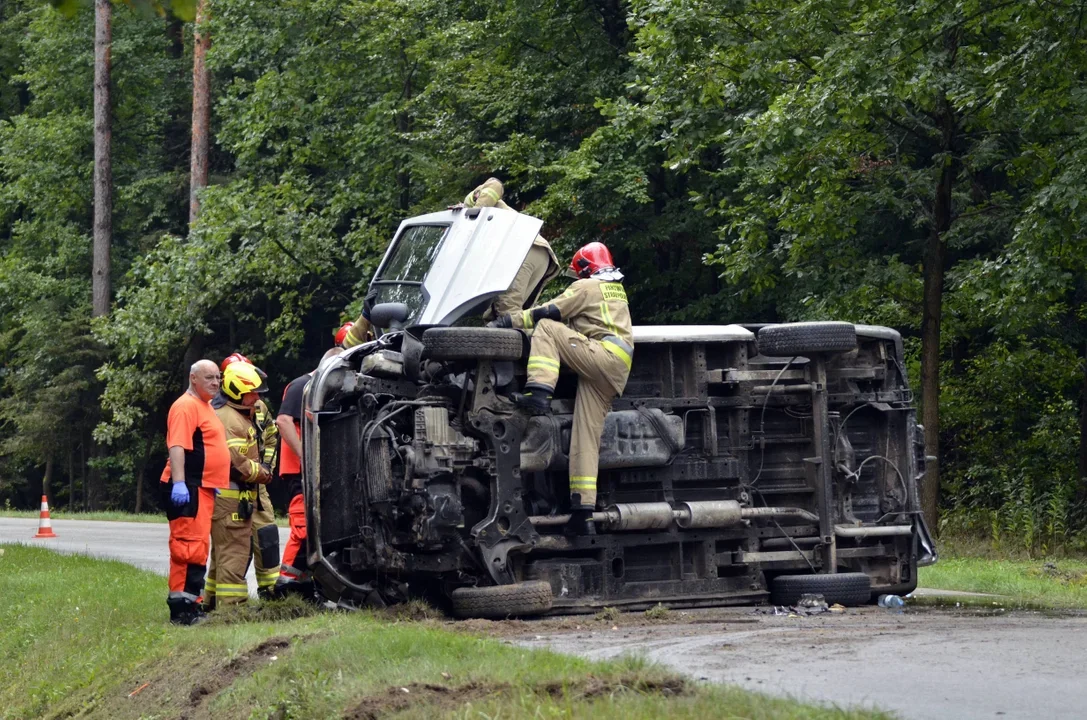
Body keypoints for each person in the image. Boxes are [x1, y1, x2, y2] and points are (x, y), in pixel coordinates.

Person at [489, 242, 633, 535]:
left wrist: (507, 321)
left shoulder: (586, 288)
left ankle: (539, 391)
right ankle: (583, 514)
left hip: (601, 357)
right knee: (585, 438)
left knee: (546, 329)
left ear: (584, 269)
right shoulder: (615, 289)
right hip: (616, 368)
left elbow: (547, 312)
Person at [159, 359, 231, 625]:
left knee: (198, 547)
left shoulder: (205, 405)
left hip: (202, 488)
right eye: (209, 378)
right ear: (193, 379)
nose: (215, 383)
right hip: (187, 487)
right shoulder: (185, 406)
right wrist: (179, 483)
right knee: (187, 548)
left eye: (218, 377)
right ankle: (182, 609)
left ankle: (192, 603)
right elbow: (177, 445)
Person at [209, 353, 281, 600]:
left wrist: (267, 467)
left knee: (267, 539)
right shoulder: (223, 415)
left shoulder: (257, 407)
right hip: (233, 492)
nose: (258, 396)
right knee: (230, 551)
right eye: (253, 391)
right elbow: (234, 461)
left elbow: (271, 434)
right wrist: (260, 472)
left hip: (257, 488)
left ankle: (271, 593)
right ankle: (223, 605)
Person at [275, 348, 342, 596]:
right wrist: (305, 455)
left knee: (317, 529)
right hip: (299, 471)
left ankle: (303, 583)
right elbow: (283, 421)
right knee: (303, 527)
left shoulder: (325, 392)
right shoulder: (302, 386)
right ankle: (286, 584)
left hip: (317, 470)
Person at [461, 177, 561, 321]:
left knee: (507, 315)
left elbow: (495, 184)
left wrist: (471, 213)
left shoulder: (473, 206)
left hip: (524, 250)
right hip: (536, 253)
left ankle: (543, 339)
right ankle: (543, 339)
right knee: (509, 316)